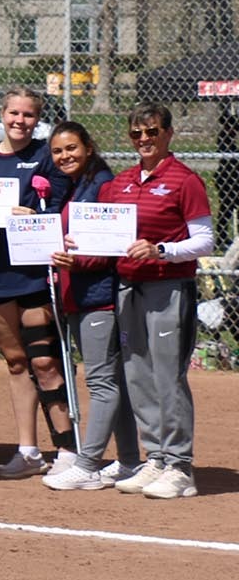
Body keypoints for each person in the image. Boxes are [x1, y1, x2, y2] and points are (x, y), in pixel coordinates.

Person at [96, 104, 211, 499]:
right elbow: (104, 231)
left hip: (168, 285)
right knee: (137, 374)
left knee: (167, 376)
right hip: (129, 286)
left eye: (151, 132)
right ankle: (157, 458)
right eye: (136, 134)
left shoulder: (185, 180)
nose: (144, 140)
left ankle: (180, 466)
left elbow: (205, 240)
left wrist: (161, 250)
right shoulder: (122, 181)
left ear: (168, 134)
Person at [0, 88, 70, 477]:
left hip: (34, 275)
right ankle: (29, 451)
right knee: (17, 362)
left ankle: (67, 449)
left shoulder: (44, 156)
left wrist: (33, 214)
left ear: (37, 119)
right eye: (14, 113)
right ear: (1, 114)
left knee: (46, 362)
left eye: (29, 115)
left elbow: (59, 211)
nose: (20, 121)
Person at [43, 121, 144, 491]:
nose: (64, 156)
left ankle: (87, 464)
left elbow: (112, 246)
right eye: (57, 151)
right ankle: (130, 460)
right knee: (111, 380)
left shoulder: (103, 185)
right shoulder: (77, 186)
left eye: (71, 148)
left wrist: (79, 263)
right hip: (79, 296)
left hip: (98, 297)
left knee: (102, 382)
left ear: (87, 146)